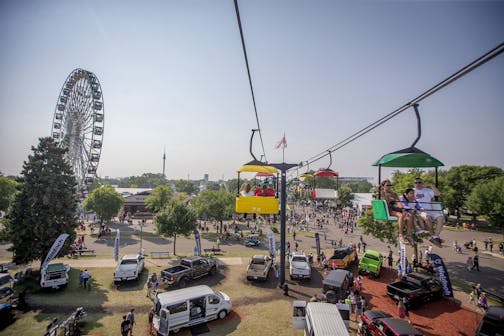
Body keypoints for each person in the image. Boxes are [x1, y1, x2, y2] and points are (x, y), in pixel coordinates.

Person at [413, 177, 444, 246]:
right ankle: (433, 236)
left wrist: (431, 185)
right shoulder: (412, 191)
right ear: (414, 184)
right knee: (427, 217)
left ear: (423, 183)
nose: (418, 184)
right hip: (420, 210)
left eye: (419, 182)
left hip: (430, 209)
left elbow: (438, 194)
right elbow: (406, 200)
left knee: (440, 218)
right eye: (416, 183)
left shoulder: (427, 190)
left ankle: (436, 236)